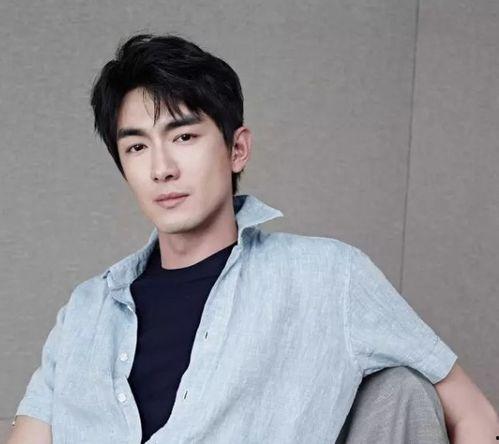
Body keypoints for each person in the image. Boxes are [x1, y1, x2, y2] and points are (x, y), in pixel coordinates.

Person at [7, 33, 498, 444]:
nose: (161, 168)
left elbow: (472, 412)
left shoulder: (327, 277)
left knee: (404, 388)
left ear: (237, 149)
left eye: (183, 137)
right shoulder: (86, 310)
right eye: (137, 146)